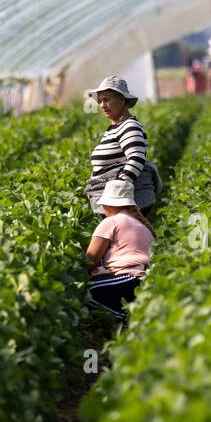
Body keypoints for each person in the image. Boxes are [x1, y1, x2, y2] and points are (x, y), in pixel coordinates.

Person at [84, 76, 160, 214]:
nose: (102, 105)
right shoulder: (116, 127)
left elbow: (136, 159)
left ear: (122, 100)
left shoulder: (129, 126)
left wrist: (117, 194)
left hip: (126, 203)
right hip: (117, 204)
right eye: (100, 101)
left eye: (107, 99)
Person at [85, 178, 154, 322]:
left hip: (128, 280)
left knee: (83, 294)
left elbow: (89, 261)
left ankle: (125, 318)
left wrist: (96, 270)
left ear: (109, 204)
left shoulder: (110, 222)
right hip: (146, 280)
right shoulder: (142, 225)